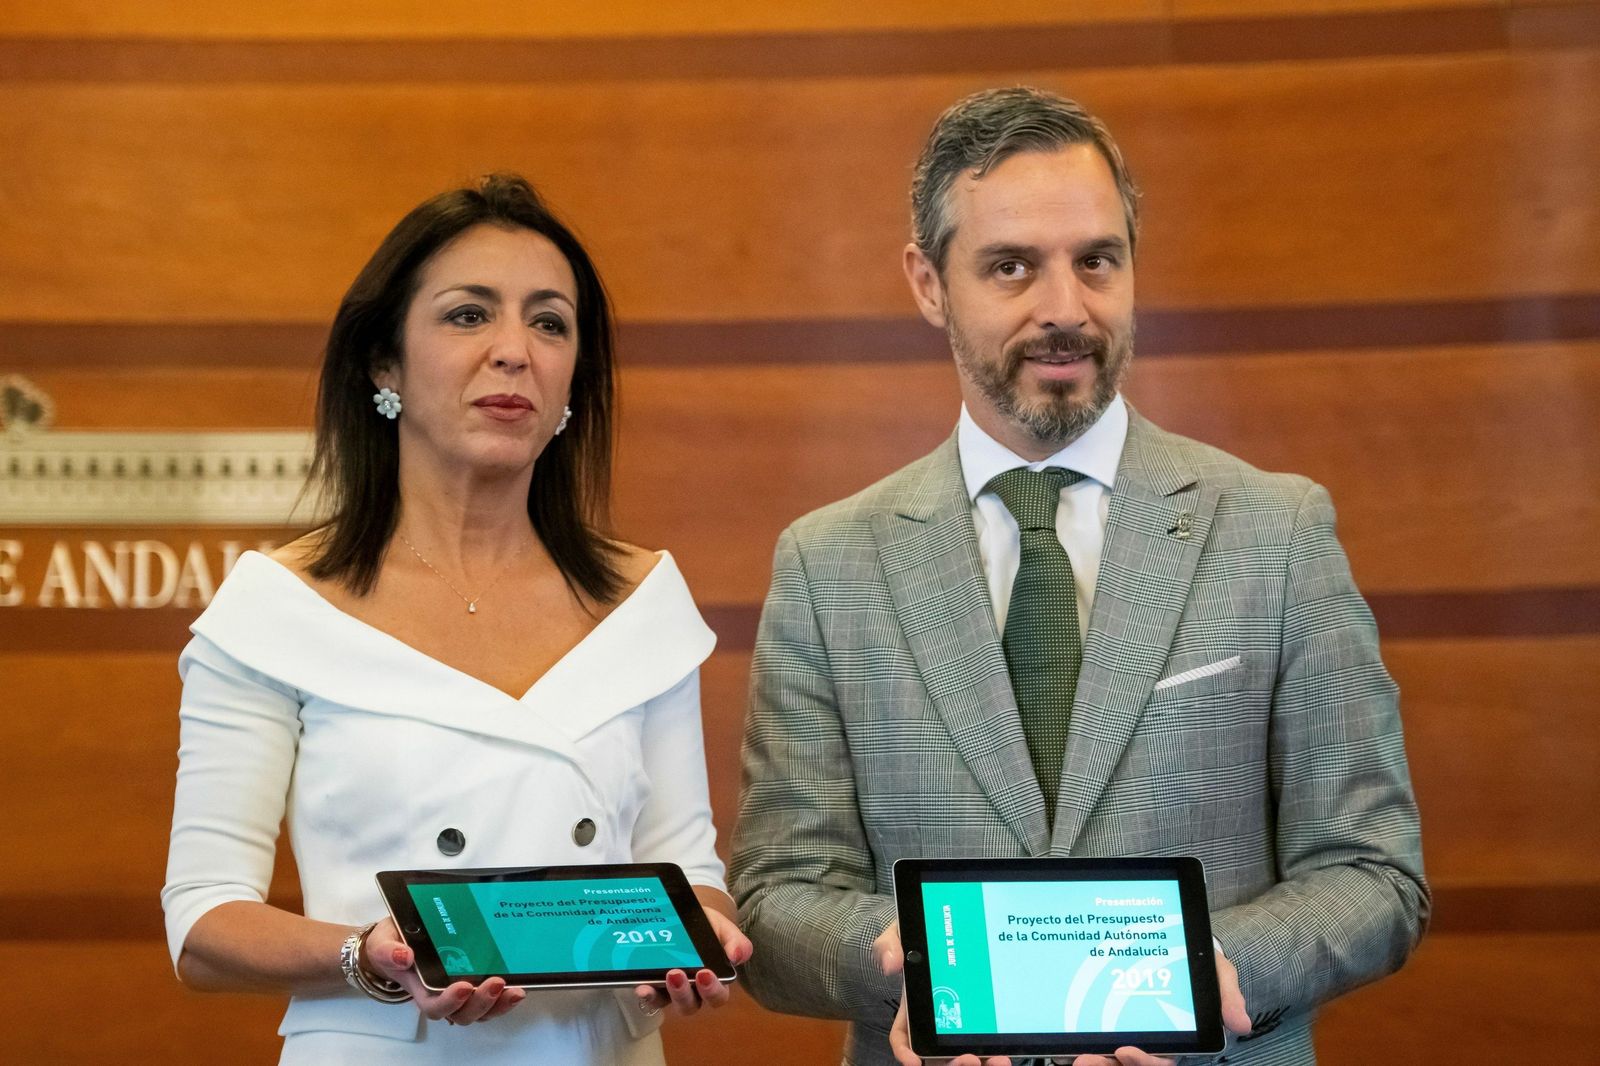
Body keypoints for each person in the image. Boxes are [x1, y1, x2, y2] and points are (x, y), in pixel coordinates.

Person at [729, 87, 1427, 1066]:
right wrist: (911, 965)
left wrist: (1219, 966)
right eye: (1010, 267)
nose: (1064, 309)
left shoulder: (1278, 532)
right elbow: (776, 901)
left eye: (1095, 260)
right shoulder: (827, 562)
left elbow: (1373, 872)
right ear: (927, 283)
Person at [161, 173, 751, 1065]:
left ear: (571, 383)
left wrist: (699, 941)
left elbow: (689, 871)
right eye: (469, 315)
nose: (514, 350)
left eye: (549, 322)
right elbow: (203, 920)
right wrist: (370, 956)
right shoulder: (276, 608)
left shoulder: (643, 602)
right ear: (383, 363)